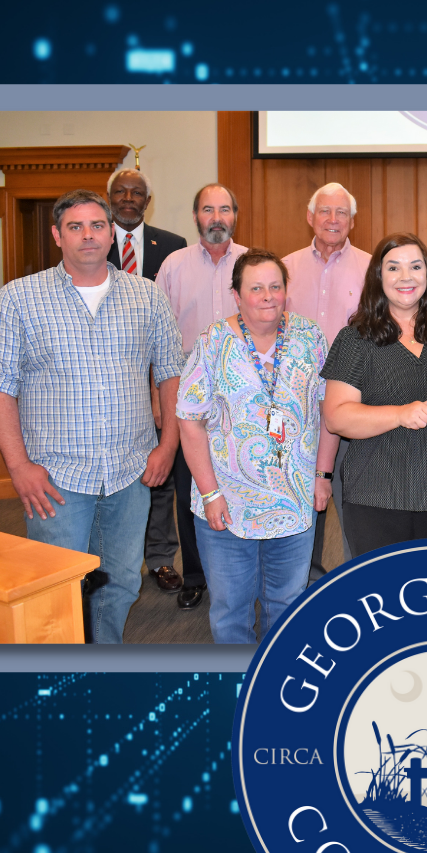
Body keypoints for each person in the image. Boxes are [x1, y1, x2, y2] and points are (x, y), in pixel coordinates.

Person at [0, 189, 185, 644]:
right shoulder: (18, 299)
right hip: (54, 478)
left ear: (112, 234)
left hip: (130, 472)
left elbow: (172, 375)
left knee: (121, 583)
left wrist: (167, 445)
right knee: (55, 589)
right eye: (75, 227)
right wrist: (18, 468)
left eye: (97, 226)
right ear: (57, 235)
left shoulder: (147, 297)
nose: (88, 236)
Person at [176, 249, 333, 644]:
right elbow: (189, 420)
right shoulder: (212, 342)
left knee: (288, 606)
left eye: (275, 287)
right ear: (237, 294)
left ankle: (277, 692)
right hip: (228, 501)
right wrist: (210, 493)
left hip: (294, 498)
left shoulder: (309, 337)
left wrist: (322, 475)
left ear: (286, 291)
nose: (267, 296)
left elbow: (328, 409)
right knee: (231, 610)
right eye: (256, 288)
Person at [321, 233, 427, 556]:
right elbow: (336, 417)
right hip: (376, 493)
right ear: (378, 277)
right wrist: (400, 414)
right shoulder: (355, 338)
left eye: (415, 267)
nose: (406, 277)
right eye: (393, 268)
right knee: (381, 594)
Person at [155, 184, 248, 609]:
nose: (217, 217)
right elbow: (156, 338)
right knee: (190, 488)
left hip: (241, 401)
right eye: (208, 209)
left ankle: (244, 574)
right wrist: (159, 401)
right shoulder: (172, 266)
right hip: (186, 399)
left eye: (224, 209)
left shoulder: (253, 263)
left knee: (242, 481)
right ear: (196, 217)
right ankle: (195, 574)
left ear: (235, 215)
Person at [105, 167, 189, 598]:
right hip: (111, 378)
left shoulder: (172, 247)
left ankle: (158, 559)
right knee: (115, 475)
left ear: (146, 200)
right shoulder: (94, 243)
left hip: (159, 372)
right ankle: (109, 559)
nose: (128, 198)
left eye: (137, 192)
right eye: (120, 191)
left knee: (161, 471)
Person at [283, 183, 370, 581]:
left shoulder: (373, 268)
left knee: (353, 503)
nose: (333, 220)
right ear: (309, 216)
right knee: (303, 501)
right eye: (325, 211)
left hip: (353, 407)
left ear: (352, 221)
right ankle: (307, 584)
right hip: (296, 409)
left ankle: (357, 583)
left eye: (341, 213)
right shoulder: (284, 269)